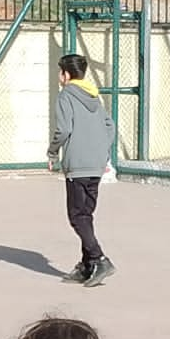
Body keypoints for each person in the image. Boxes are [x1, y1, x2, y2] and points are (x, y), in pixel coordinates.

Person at [51, 53, 117, 287]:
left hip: (77, 165)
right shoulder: (93, 96)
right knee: (86, 215)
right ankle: (88, 265)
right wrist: (101, 150)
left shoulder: (65, 96)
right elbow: (110, 126)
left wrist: (52, 152)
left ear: (66, 74)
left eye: (60, 72)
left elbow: (64, 129)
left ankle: (99, 258)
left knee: (77, 216)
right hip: (96, 165)